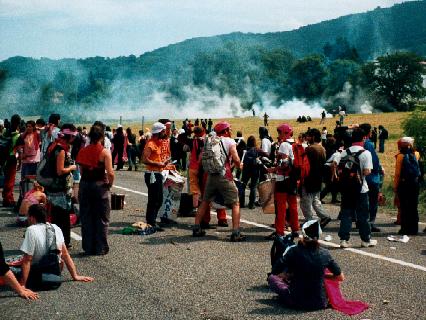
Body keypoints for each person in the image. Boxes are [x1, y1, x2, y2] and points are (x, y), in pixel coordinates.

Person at [268, 220, 344, 310]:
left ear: (303, 236)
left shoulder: (294, 251)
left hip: (297, 301)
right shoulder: (325, 253)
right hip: (320, 302)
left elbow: (275, 270)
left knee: (272, 278)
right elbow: (340, 277)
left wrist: (286, 275)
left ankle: (286, 294)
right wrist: (322, 275)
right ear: (319, 236)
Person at [19, 204, 94, 289]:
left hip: (38, 272)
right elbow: (65, 255)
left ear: (32, 217)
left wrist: (22, 285)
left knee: (17, 264)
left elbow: (27, 260)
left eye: (28, 216)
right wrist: (75, 276)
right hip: (54, 271)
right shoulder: (55, 227)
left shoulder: (31, 230)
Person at [192, 121, 245, 242]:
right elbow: (236, 158)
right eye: (229, 129)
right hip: (224, 175)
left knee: (205, 201)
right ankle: (236, 232)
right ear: (225, 131)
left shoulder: (210, 141)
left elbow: (200, 159)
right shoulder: (230, 141)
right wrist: (239, 165)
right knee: (235, 203)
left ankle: (196, 228)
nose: (230, 131)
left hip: (211, 175)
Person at [333, 128, 377, 248]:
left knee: (346, 214)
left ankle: (343, 240)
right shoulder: (365, 153)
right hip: (361, 188)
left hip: (346, 188)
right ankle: (365, 240)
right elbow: (367, 171)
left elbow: (335, 165)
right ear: (363, 138)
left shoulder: (344, 152)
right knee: (363, 215)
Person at [77, 124, 114, 255]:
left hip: (85, 184)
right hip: (100, 186)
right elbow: (110, 173)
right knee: (102, 218)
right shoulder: (105, 152)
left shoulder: (83, 151)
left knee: (86, 217)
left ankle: (88, 247)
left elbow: (81, 170)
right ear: (102, 136)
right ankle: (101, 247)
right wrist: (110, 184)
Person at [44, 124, 78, 248]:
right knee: (62, 218)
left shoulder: (52, 145)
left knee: (54, 216)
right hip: (60, 189)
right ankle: (64, 242)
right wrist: (72, 167)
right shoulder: (61, 150)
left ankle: (55, 241)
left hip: (52, 187)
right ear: (69, 137)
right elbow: (60, 170)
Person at [268, 124, 299, 239]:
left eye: (280, 132)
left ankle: (279, 231)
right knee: (293, 205)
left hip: (283, 179)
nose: (279, 134)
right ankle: (295, 229)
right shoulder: (295, 143)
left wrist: (273, 169)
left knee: (280, 206)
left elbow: (284, 163)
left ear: (285, 133)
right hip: (292, 178)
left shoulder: (284, 145)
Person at [300, 129, 332, 229]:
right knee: (315, 200)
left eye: (309, 136)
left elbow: (304, 164)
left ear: (313, 137)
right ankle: (324, 216)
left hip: (309, 178)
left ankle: (309, 221)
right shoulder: (322, 148)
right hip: (318, 178)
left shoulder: (310, 149)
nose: (307, 138)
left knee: (305, 202)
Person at [142, 122, 170, 231]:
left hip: (157, 173)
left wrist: (162, 162)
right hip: (152, 174)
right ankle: (151, 222)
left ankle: (152, 221)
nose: (164, 133)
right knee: (155, 199)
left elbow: (167, 136)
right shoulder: (151, 144)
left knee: (158, 199)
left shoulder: (157, 142)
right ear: (159, 132)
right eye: (163, 131)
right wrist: (158, 164)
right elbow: (144, 159)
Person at [393, 137, 421, 235]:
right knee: (413, 206)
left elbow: (397, 173)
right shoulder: (416, 154)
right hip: (415, 183)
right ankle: (414, 229)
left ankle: (404, 229)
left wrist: (395, 186)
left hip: (404, 184)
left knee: (404, 207)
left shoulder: (400, 156)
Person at [360, 123, 384, 232]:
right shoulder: (368, 144)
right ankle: (370, 223)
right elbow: (374, 161)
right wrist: (379, 169)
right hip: (371, 176)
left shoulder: (358, 143)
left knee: (363, 201)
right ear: (369, 132)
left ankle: (362, 221)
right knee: (373, 201)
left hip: (361, 176)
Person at [2, 114, 21, 207]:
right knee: (10, 180)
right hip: (12, 158)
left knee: (7, 179)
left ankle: (7, 196)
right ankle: (8, 199)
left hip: (4, 158)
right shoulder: (17, 135)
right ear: (18, 123)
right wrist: (20, 161)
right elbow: (18, 150)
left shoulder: (5, 132)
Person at [241, 136, 261, 210]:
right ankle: (251, 204)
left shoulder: (245, 150)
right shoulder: (257, 150)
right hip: (255, 169)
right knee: (253, 187)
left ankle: (241, 202)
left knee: (243, 185)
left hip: (246, 169)